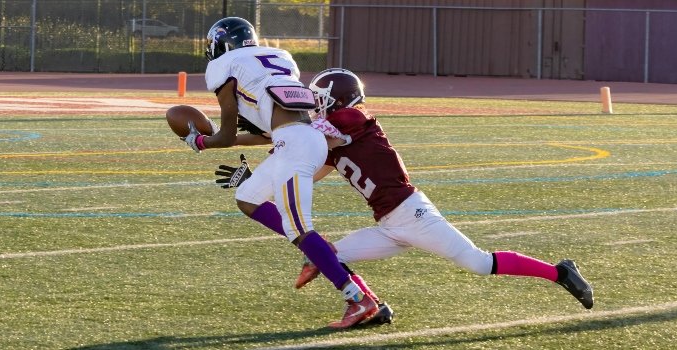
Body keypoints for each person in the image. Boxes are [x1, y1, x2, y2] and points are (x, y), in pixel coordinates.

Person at [217, 68, 594, 313]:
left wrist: (244, 139)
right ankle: (371, 307)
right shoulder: (335, 141)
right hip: (387, 224)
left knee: (479, 263)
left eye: (319, 99)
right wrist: (256, 182)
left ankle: (559, 272)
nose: (312, 107)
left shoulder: (353, 118)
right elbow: (303, 171)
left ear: (335, 98)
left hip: (413, 215)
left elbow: (292, 138)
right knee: (327, 255)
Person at [183, 18, 379, 329]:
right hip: (303, 137)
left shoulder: (223, 68)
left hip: (294, 145)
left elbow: (226, 135)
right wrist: (211, 141)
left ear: (220, 44)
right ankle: (320, 249)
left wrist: (198, 141)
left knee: (299, 229)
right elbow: (268, 133)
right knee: (247, 197)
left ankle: (358, 297)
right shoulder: (280, 59)